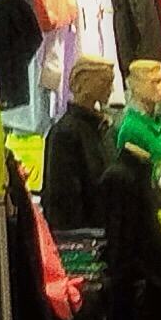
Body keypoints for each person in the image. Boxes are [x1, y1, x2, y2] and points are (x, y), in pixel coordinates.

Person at [39, 58, 118, 240]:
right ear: (85, 82)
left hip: (103, 235)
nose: (111, 90)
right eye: (105, 82)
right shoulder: (66, 132)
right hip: (83, 243)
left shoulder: (102, 129)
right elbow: (62, 200)